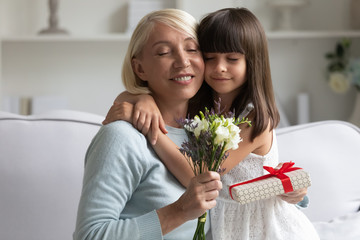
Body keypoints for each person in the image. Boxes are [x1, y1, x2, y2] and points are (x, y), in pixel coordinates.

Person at [103, 7, 320, 240]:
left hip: (268, 229)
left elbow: (196, 175)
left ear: (252, 62)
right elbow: (128, 96)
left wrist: (152, 131)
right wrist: (140, 98)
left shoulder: (255, 118)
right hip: (224, 224)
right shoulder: (198, 105)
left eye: (232, 59)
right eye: (209, 58)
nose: (219, 68)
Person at [73, 9, 223, 240]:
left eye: (192, 49)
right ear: (139, 68)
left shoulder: (210, 133)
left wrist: (292, 193)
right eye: (164, 52)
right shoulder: (121, 137)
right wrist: (178, 211)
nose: (183, 61)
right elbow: (90, 235)